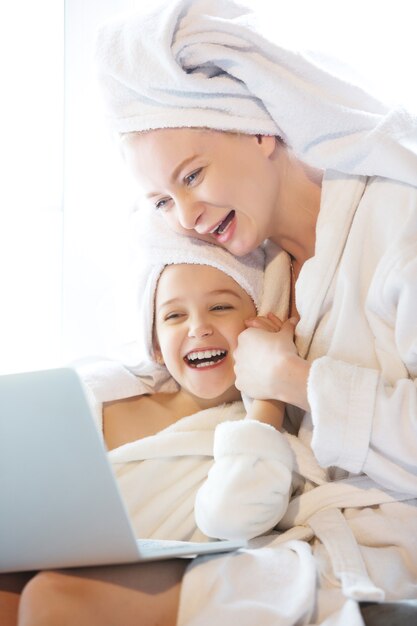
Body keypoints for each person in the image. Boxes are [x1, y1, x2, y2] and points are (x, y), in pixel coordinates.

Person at [5, 0, 417, 624]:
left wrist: (294, 382)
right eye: (163, 201)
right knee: (12, 586)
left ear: (259, 128)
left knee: (57, 602)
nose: (186, 213)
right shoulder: (270, 267)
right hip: (270, 532)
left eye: (193, 175)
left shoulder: (397, 229)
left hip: (381, 550)